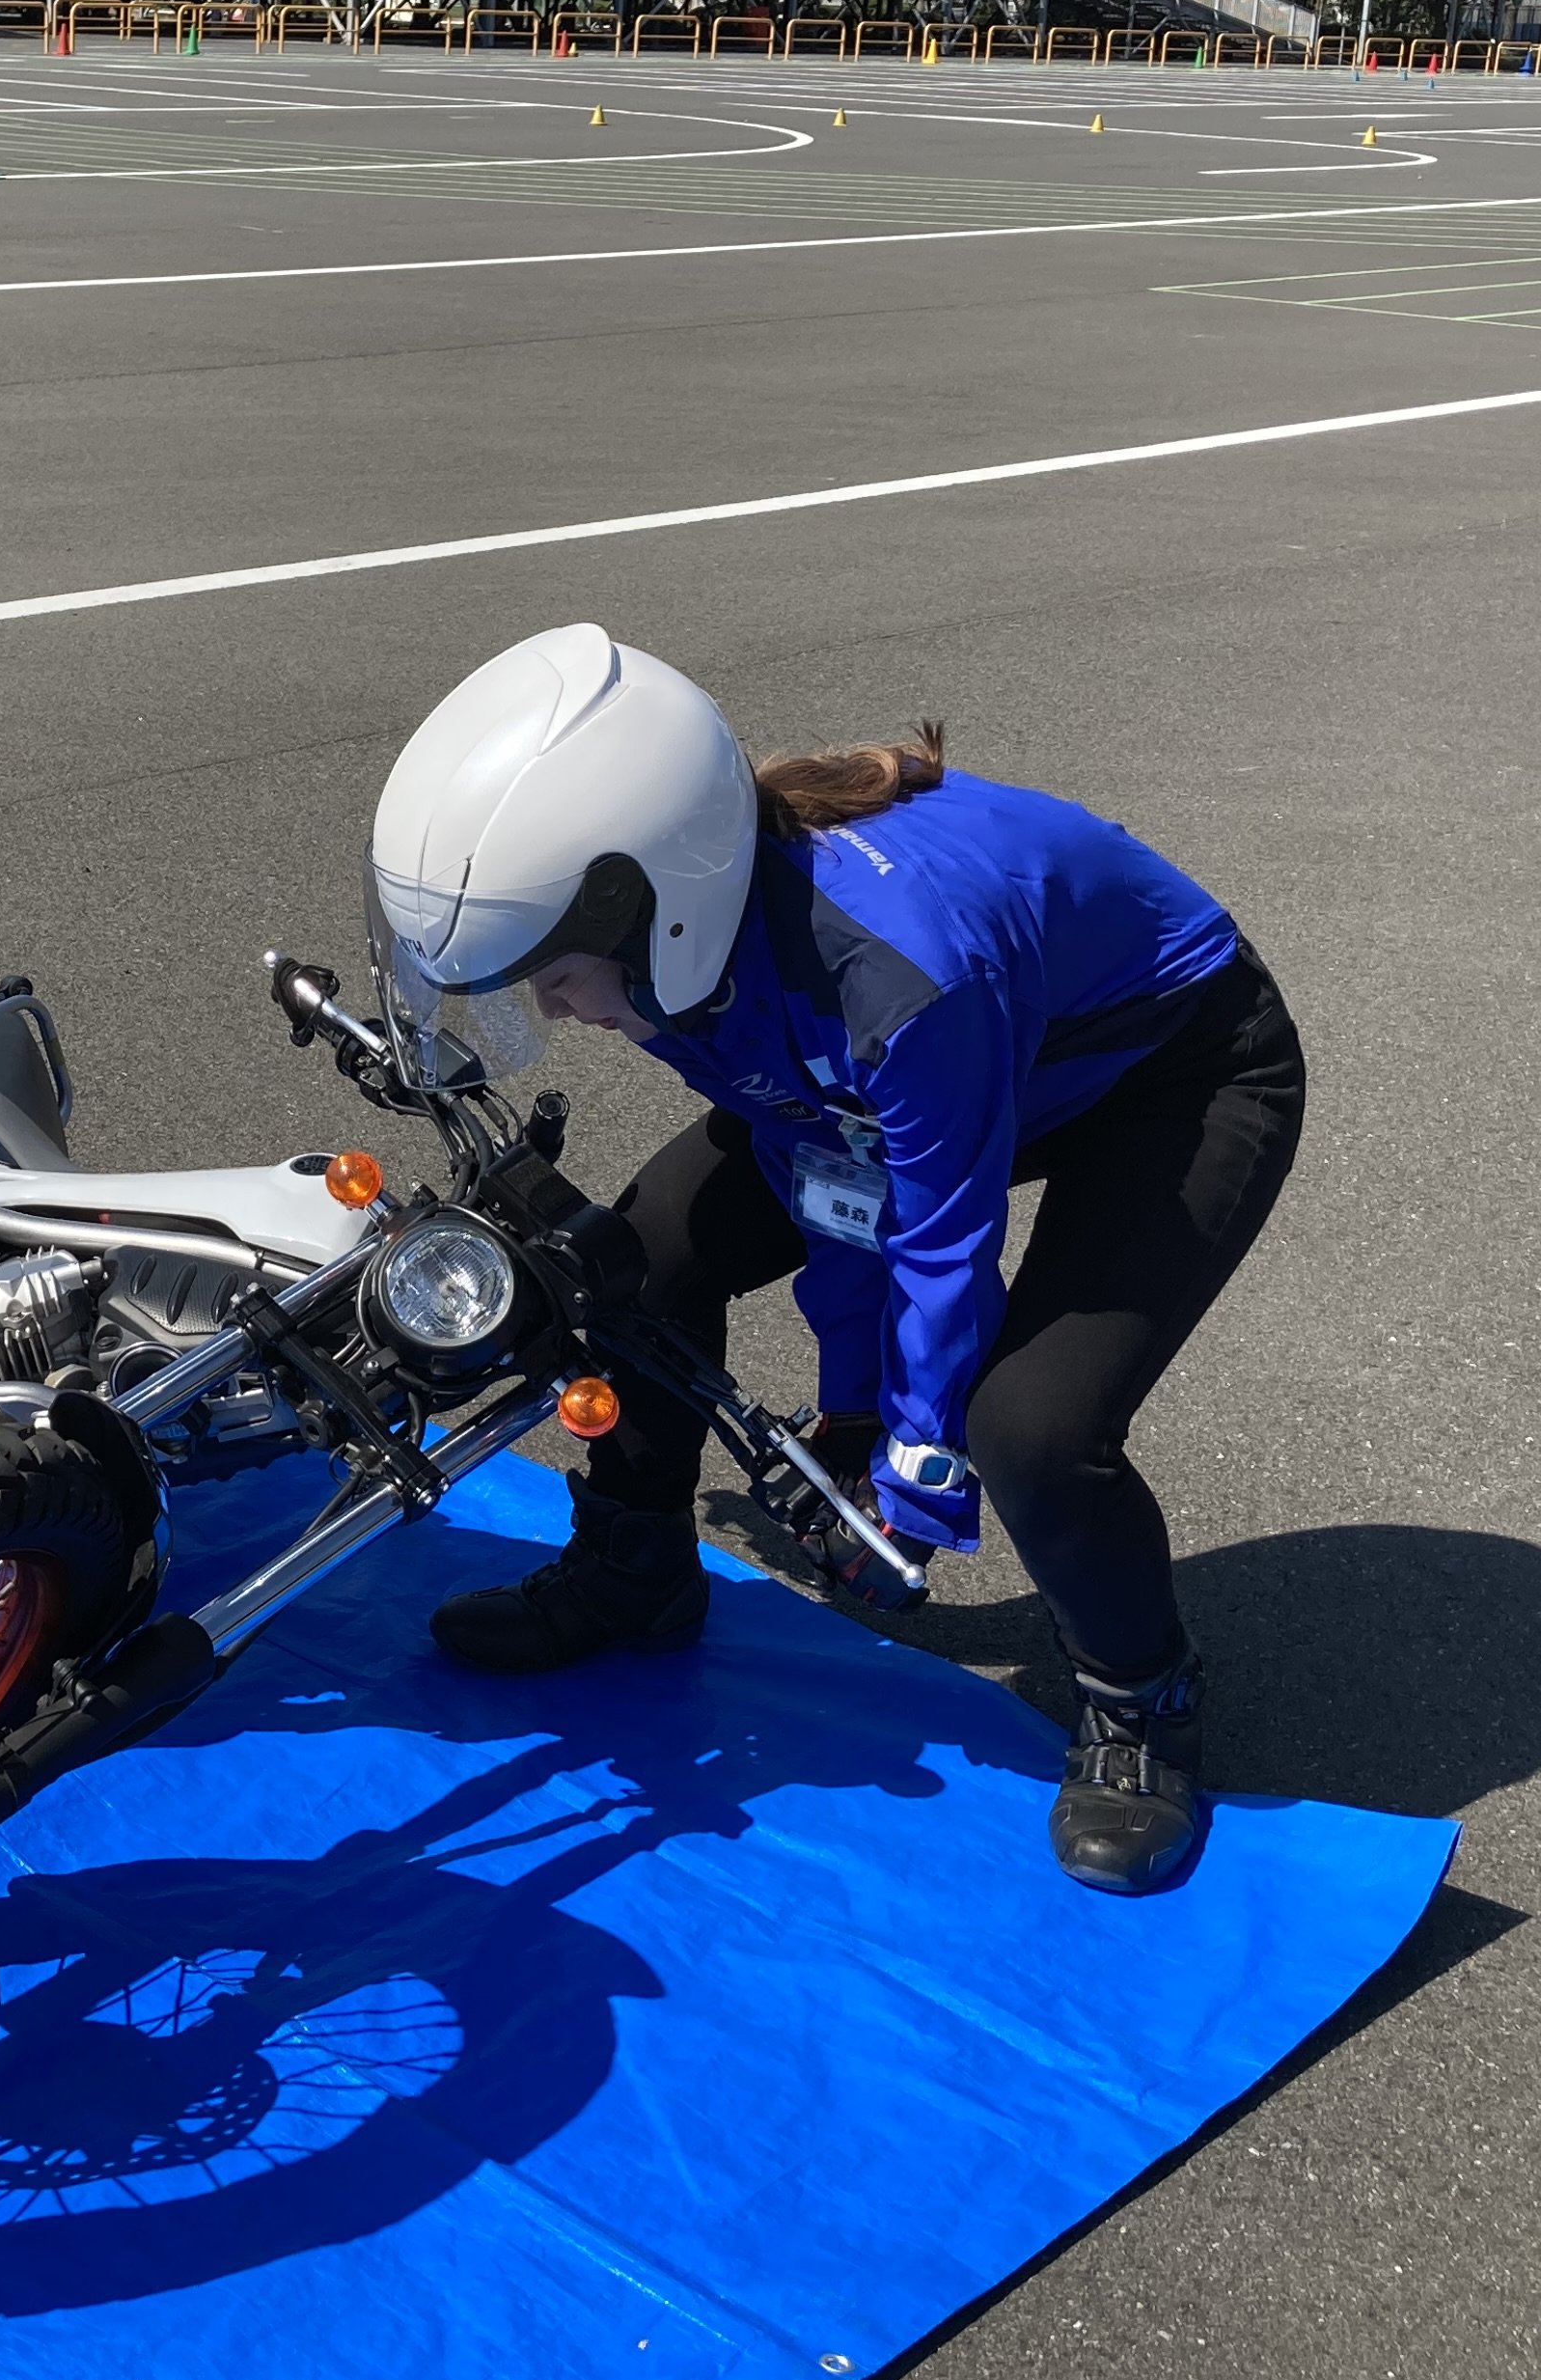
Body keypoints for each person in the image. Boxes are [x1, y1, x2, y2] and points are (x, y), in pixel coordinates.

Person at [368, 624, 1306, 1895]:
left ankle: (1142, 1699)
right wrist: (850, 1417)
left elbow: (936, 1237)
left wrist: (910, 1477)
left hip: (1172, 1068)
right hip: (953, 1061)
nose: (554, 1011)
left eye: (560, 975)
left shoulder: (890, 974)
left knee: (1029, 1423)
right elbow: (831, 1172)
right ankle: (633, 1572)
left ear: (663, 913)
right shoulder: (684, 950)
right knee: (628, 1260)